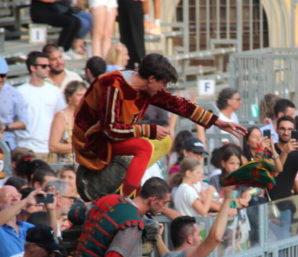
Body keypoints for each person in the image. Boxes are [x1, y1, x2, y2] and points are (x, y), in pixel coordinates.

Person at [73, 53, 246, 197]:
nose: (163, 88)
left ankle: (126, 176)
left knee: (165, 141)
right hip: (92, 141)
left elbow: (179, 105)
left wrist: (217, 121)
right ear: (152, 78)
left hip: (113, 136)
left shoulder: (147, 88)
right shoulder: (113, 85)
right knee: (143, 147)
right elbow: (110, 130)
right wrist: (149, 130)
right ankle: (126, 199)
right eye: (163, 83)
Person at [17, 51, 67, 161]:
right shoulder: (19, 92)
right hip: (26, 148)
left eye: (48, 66)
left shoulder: (55, 92)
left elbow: (62, 118)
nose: (48, 69)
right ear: (32, 68)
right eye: (44, 66)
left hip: (48, 149)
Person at [0, 186, 40, 257]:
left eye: (17, 196)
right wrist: (25, 201)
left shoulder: (28, 227)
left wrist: (51, 210)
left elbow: (51, 238)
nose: (15, 199)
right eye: (9, 196)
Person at [49, 81, 88, 164]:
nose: (83, 98)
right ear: (69, 96)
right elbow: (53, 146)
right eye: (79, 95)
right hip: (67, 166)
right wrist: (81, 148)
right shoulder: (61, 116)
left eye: (85, 95)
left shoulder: (89, 116)